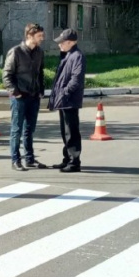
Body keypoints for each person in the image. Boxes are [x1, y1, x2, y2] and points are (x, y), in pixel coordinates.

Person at [2, 23, 46, 171]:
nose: (42, 38)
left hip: (34, 96)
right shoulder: (16, 52)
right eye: (39, 36)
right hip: (19, 97)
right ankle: (15, 160)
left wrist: (41, 90)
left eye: (42, 35)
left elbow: (40, 73)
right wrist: (16, 92)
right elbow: (6, 75)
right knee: (16, 129)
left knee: (29, 129)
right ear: (29, 36)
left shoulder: (39, 52)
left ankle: (30, 159)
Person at [47, 28, 86, 173]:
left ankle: (74, 162)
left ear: (70, 42)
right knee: (65, 131)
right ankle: (67, 159)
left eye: (62, 42)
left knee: (71, 131)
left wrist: (65, 92)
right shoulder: (67, 55)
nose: (59, 45)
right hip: (63, 99)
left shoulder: (77, 56)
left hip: (69, 100)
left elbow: (76, 79)